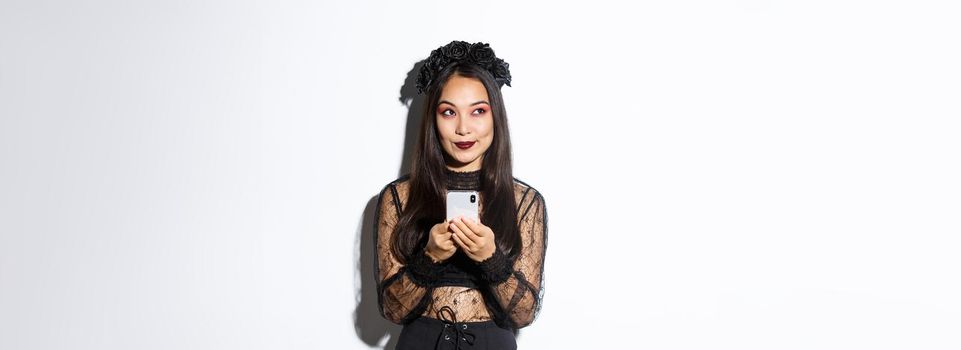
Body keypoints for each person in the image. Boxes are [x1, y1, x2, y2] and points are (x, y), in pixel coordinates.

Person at [373, 40, 548, 350]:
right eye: (449, 112)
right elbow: (392, 309)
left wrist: (491, 260)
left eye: (478, 111)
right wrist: (430, 259)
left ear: (496, 116)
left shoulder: (524, 201)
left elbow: (524, 313)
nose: (464, 128)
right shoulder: (399, 196)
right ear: (433, 120)